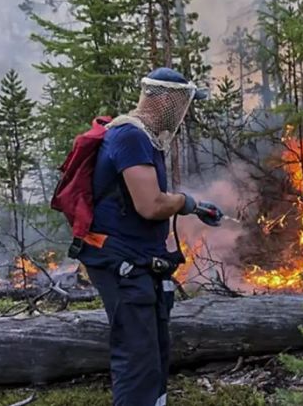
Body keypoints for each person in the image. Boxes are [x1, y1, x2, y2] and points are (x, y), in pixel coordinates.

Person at [76, 67, 223, 406]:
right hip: (121, 262)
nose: (184, 112)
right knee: (138, 358)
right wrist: (188, 203)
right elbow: (150, 204)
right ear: (165, 100)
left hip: (139, 262)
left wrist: (196, 207)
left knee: (154, 350)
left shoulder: (144, 137)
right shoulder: (130, 137)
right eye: (183, 102)